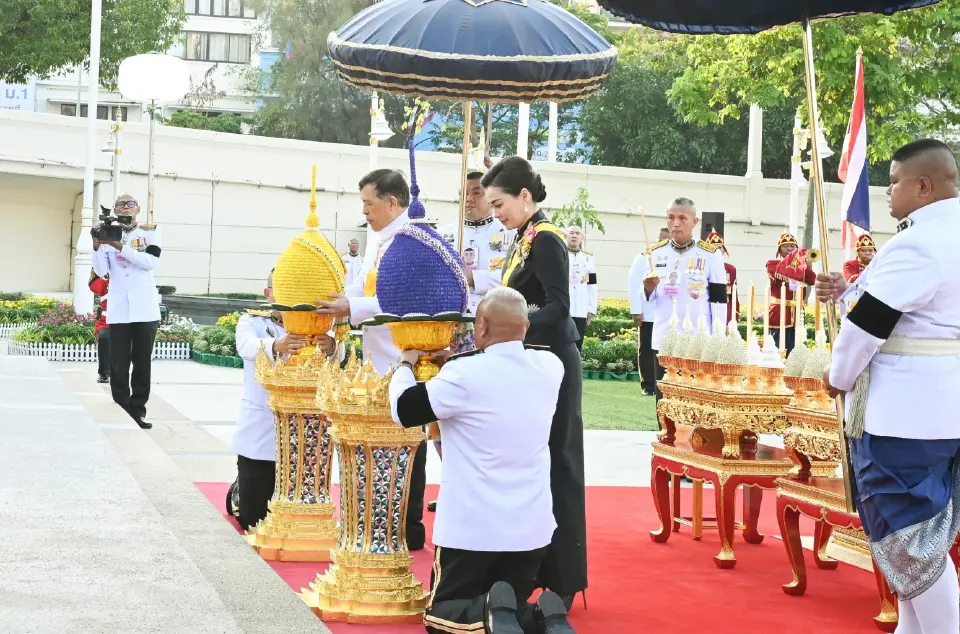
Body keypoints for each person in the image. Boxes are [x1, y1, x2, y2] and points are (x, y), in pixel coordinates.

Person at [818, 138, 960, 634]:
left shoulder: (919, 242)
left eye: (895, 181)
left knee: (910, 543)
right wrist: (846, 292)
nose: (888, 191)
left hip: (903, 417)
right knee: (927, 537)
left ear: (925, 186)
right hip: (942, 410)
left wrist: (838, 377)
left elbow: (867, 327)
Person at [389, 287, 576, 634]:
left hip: (471, 530)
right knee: (511, 611)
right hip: (529, 529)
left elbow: (404, 409)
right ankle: (540, 618)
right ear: (525, 327)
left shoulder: (464, 375)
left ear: (482, 327)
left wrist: (404, 365)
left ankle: (490, 611)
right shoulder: (550, 366)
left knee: (440, 615)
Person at [482, 156, 587, 609]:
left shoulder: (546, 239)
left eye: (499, 203)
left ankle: (564, 576)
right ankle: (530, 569)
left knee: (559, 464)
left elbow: (561, 306)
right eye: (490, 205)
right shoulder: (521, 237)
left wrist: (514, 326)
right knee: (532, 464)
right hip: (529, 362)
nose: (495, 213)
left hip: (554, 364)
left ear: (525, 197)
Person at [315, 168, 427, 551]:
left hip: (402, 353)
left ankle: (407, 524)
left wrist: (353, 306)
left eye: (368, 203)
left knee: (408, 434)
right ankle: (381, 518)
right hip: (377, 356)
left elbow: (408, 303)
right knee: (383, 439)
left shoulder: (411, 242)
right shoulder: (379, 239)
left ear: (392, 202)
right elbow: (359, 289)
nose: (364, 210)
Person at [232, 269, 339, 530]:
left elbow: (340, 354)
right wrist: (276, 345)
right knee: (254, 519)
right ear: (269, 294)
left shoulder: (319, 325)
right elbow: (245, 346)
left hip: (306, 428)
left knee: (302, 511)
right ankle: (238, 492)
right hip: (263, 425)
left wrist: (333, 347)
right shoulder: (253, 322)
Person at [638, 198, 727, 402]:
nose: (675, 223)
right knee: (664, 398)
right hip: (664, 337)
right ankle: (665, 434)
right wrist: (648, 289)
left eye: (682, 218)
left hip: (697, 337)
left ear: (694, 222)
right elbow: (647, 299)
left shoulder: (710, 255)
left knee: (694, 398)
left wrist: (718, 337)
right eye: (671, 217)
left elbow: (719, 301)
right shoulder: (655, 254)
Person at [91, 194, 162, 430]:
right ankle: (122, 406)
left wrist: (119, 246)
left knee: (142, 363)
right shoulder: (108, 232)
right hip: (120, 308)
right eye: (120, 204)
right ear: (115, 209)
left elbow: (150, 262)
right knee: (118, 364)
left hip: (145, 309)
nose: (125, 207)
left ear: (137, 209)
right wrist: (97, 245)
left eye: (129, 204)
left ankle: (138, 409)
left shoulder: (150, 232)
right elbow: (101, 271)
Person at [442, 168, 516, 315]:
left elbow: (515, 278)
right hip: (454, 314)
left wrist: (473, 278)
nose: (469, 198)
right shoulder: (442, 235)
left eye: (476, 193)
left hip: (496, 314)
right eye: (464, 194)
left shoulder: (511, 233)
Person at [629, 228, 669, 396]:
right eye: (663, 239)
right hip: (648, 313)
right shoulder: (644, 257)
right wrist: (636, 310)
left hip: (667, 315)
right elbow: (634, 283)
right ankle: (648, 385)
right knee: (647, 350)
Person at [766, 233, 816, 355]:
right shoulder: (772, 264)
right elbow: (783, 270)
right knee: (777, 349)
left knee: (797, 351)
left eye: (793, 246)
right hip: (779, 313)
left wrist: (803, 264)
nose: (789, 249)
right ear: (779, 250)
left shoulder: (801, 266)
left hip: (797, 314)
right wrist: (795, 259)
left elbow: (812, 279)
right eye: (786, 246)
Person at [565, 226, 597, 351]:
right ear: (566, 236)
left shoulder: (588, 257)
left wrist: (591, 309)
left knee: (577, 344)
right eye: (571, 233)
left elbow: (592, 284)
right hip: (564, 307)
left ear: (582, 237)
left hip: (581, 308)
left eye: (577, 233)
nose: (574, 236)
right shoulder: (560, 254)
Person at [704, 230, 739, 324]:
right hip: (705, 309)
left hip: (726, 309)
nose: (717, 251)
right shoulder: (702, 268)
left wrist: (734, 315)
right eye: (713, 248)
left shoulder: (730, 269)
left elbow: (733, 295)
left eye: (719, 248)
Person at [89, 270, 111, 384]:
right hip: (105, 322)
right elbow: (94, 286)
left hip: (125, 322)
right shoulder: (105, 283)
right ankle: (104, 373)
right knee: (104, 338)